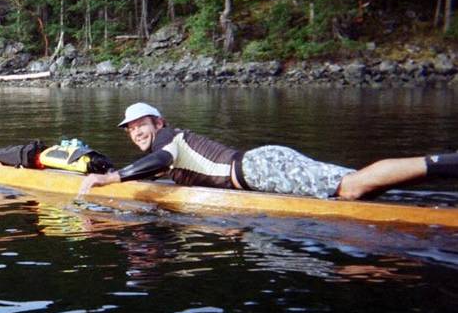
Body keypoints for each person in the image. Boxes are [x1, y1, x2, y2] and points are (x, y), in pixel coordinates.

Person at [78, 102, 458, 200]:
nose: (137, 131)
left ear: (158, 123)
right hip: (261, 166)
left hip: (257, 169)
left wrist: (108, 178)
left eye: (142, 124)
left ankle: (446, 164)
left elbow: (158, 161)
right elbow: (154, 170)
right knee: (356, 187)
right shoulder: (165, 146)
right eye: (131, 129)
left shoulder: (167, 142)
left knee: (352, 186)